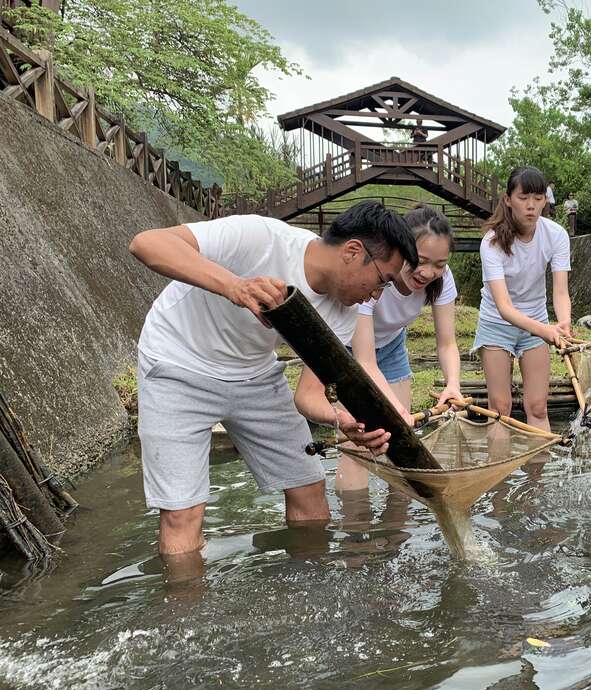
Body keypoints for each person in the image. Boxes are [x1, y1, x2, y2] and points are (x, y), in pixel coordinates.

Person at [129, 201, 417, 557]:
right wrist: (234, 285)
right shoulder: (261, 237)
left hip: (256, 375)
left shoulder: (344, 313)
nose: (376, 295)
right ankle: (185, 593)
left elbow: (308, 395)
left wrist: (340, 419)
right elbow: (147, 243)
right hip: (178, 363)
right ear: (353, 251)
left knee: (309, 490)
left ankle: (309, 579)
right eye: (382, 281)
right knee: (182, 514)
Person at [294, 205, 464, 491]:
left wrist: (453, 384)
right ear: (400, 252)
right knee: (362, 446)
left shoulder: (442, 280)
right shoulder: (371, 279)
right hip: (349, 349)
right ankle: (356, 516)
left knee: (402, 444)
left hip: (392, 347)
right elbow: (365, 361)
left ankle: (399, 517)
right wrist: (395, 410)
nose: (428, 272)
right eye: (421, 260)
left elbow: (447, 343)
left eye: (439, 264)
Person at [473, 166, 572, 432]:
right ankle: (500, 462)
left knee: (538, 406)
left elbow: (560, 291)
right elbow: (504, 307)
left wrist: (563, 321)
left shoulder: (556, 235)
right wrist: (545, 331)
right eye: (523, 197)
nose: (531, 205)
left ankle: (539, 462)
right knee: (500, 408)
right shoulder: (492, 242)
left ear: (545, 200)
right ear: (508, 199)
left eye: (538, 198)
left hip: (536, 320)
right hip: (497, 323)